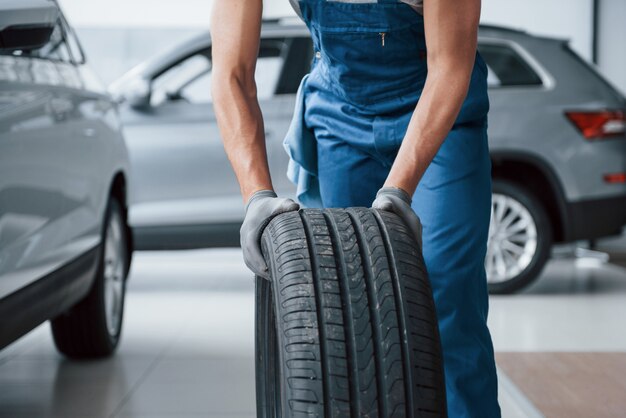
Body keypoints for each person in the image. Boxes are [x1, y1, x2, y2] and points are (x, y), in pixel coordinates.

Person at [210, 0, 501, 416]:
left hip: (442, 119)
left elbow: (451, 67)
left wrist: (399, 190)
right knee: (347, 306)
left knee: (445, 300)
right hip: (340, 119)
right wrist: (256, 195)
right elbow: (231, 73)